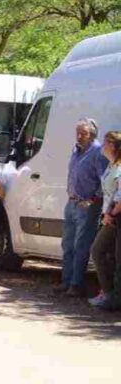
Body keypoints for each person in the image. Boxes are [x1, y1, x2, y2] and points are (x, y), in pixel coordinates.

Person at [56, 118, 108, 297]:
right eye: (77, 132)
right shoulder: (76, 149)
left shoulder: (98, 152)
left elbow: (105, 180)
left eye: (83, 133)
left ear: (92, 135)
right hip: (72, 202)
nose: (79, 136)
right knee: (67, 244)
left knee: (81, 245)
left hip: (87, 204)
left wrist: (93, 199)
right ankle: (66, 281)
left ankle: (76, 285)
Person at [89, 131, 121, 309]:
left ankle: (110, 294)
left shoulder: (119, 167)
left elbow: (119, 195)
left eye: (107, 142)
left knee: (98, 251)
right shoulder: (111, 165)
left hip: (114, 217)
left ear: (114, 146)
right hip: (109, 215)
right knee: (108, 256)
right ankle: (108, 293)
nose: (103, 145)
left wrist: (110, 214)